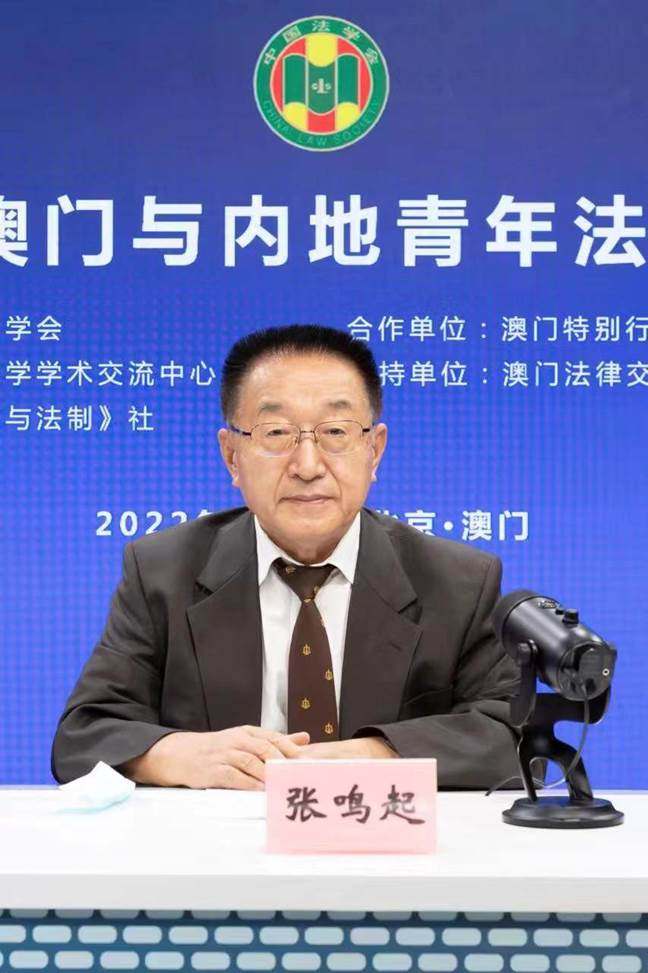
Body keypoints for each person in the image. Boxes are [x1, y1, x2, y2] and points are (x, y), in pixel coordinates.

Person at [51, 324, 521, 790]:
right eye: (276, 432)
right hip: (218, 835)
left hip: (385, 834)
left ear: (374, 451)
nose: (308, 466)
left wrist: (372, 757)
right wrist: (180, 755)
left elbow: (511, 736)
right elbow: (83, 736)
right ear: (232, 456)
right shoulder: (163, 572)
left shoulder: (458, 582)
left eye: (335, 432)